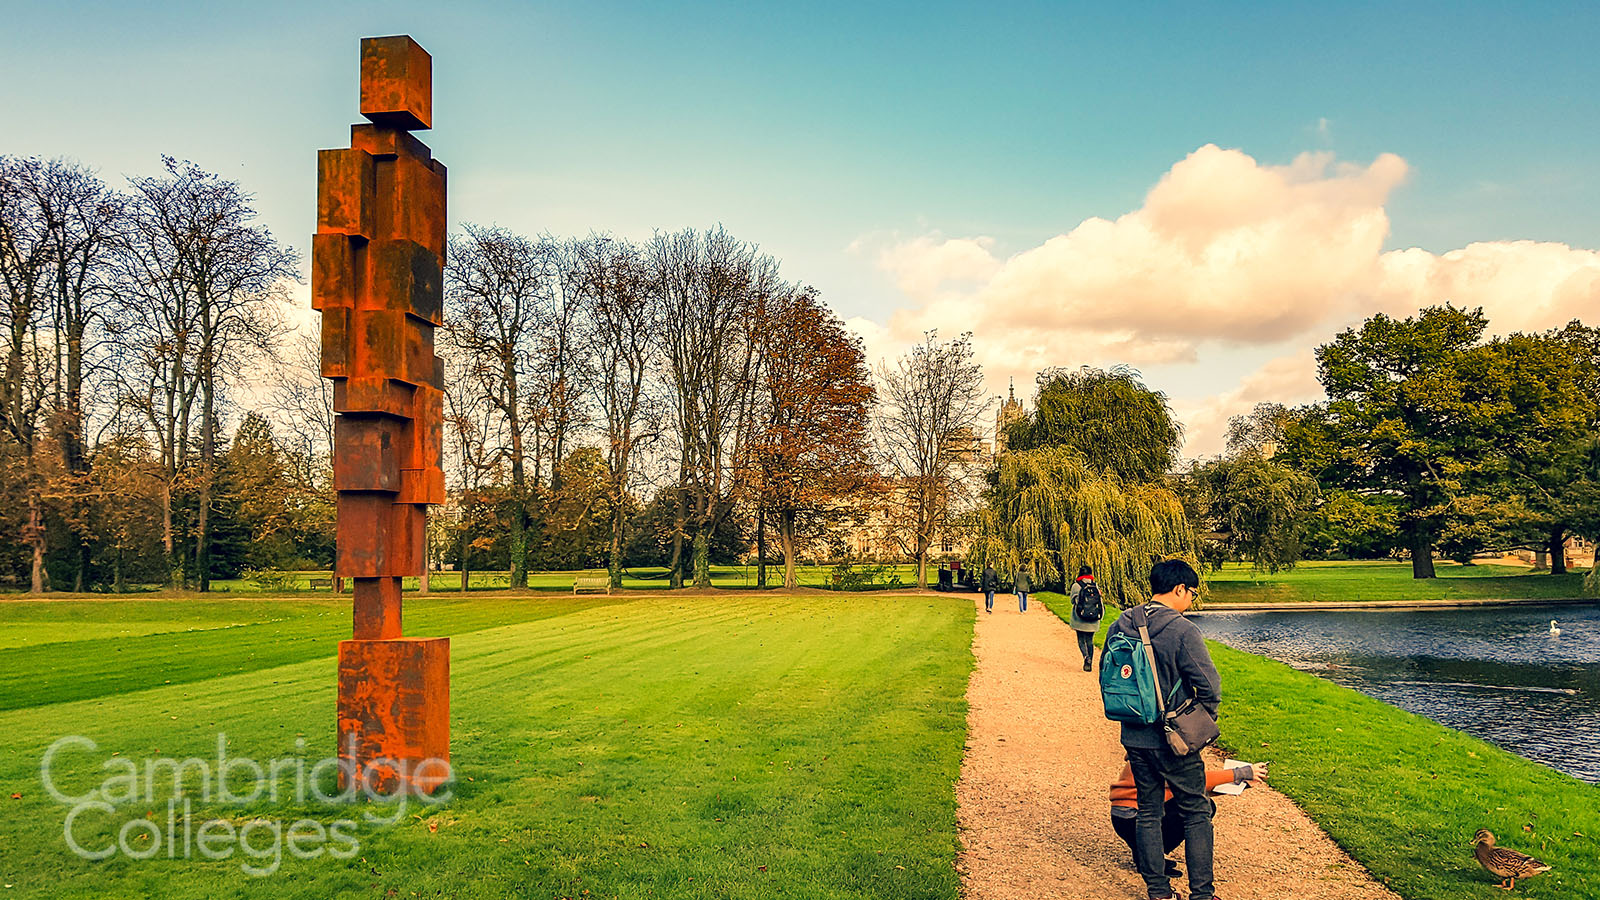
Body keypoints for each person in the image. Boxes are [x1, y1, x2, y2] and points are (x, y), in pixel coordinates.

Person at [1101, 558, 1221, 900]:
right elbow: (1210, 686)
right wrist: (1197, 722)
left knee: (1149, 811)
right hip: (1173, 738)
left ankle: (1159, 892)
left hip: (1134, 733)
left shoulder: (1122, 622)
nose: (1191, 601)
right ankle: (1202, 894)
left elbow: (1108, 677)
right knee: (1196, 811)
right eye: (1192, 593)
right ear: (1180, 589)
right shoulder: (1183, 630)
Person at [1108, 761, 1266, 875]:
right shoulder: (1160, 752)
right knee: (1201, 809)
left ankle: (1146, 858)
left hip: (1125, 817)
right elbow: (1191, 781)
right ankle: (1149, 858)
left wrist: (1237, 785)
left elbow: (1190, 789)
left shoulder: (1143, 748)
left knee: (1200, 804)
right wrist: (1239, 773)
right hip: (1134, 819)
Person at [1068, 565, 1101, 671]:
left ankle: (1086, 657)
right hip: (1093, 618)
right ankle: (1090, 661)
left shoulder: (1076, 586)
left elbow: (1073, 601)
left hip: (1080, 618)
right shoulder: (1095, 585)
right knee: (1090, 640)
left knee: (1081, 640)